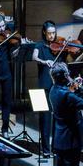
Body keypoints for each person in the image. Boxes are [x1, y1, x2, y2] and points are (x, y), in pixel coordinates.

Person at [31, 20, 61, 156]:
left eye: (54, 33)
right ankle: (45, 149)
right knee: (44, 119)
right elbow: (34, 57)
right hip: (41, 86)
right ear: (44, 32)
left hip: (56, 86)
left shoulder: (59, 46)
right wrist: (44, 62)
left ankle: (55, 148)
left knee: (57, 118)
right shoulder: (39, 45)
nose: (52, 36)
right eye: (49, 33)